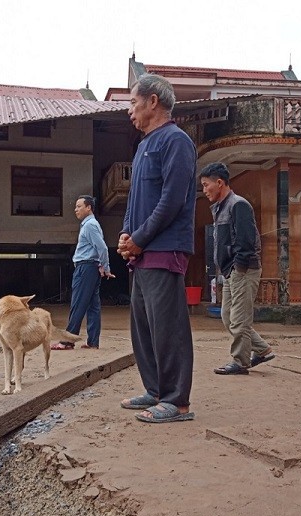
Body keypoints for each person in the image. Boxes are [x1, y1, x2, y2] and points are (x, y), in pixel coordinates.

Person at [118, 73, 197, 424]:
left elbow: (172, 201)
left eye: (134, 103)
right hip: (142, 251)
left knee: (168, 326)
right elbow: (135, 200)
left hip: (164, 249)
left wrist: (140, 238)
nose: (130, 112)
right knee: (143, 326)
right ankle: (154, 389)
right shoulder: (142, 146)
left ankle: (177, 401)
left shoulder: (175, 141)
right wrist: (125, 235)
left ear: (153, 101)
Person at [199, 162, 275, 375]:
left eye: (206, 185)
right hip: (231, 271)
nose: (204, 190)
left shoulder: (238, 204)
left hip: (243, 270)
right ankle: (262, 349)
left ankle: (241, 362)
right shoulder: (221, 207)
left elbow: (246, 240)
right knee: (228, 316)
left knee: (239, 319)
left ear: (220, 183)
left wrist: (238, 268)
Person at [52, 195, 114, 350]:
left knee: (78, 303)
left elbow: (102, 248)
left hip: (85, 268)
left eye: (79, 206)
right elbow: (97, 249)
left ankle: (67, 341)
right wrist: (101, 265)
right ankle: (93, 342)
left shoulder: (89, 225)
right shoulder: (90, 224)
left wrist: (105, 267)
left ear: (89, 207)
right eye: (76, 206)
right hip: (91, 267)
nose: (76, 209)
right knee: (93, 306)